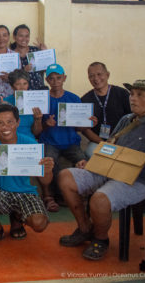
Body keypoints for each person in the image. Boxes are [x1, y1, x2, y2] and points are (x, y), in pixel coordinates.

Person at [59, 80, 145, 261]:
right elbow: (110, 146)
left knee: (100, 199)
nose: (133, 99)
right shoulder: (126, 120)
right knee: (66, 177)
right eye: (132, 94)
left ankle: (100, 239)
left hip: (138, 180)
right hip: (108, 170)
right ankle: (84, 228)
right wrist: (92, 163)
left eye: (140, 95)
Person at [0, 104, 53, 248]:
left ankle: (17, 216)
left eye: (10, 122)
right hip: (0, 193)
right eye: (0, 123)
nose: (5, 127)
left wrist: (47, 169)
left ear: (18, 122)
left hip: (25, 193)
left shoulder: (30, 143)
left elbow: (45, 181)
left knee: (39, 224)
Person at [38, 63, 91, 213]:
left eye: (58, 78)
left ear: (64, 78)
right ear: (47, 80)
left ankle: (80, 194)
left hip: (71, 142)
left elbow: (79, 128)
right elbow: (37, 128)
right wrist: (46, 124)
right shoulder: (43, 99)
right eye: (51, 78)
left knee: (83, 162)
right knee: (47, 164)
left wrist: (88, 123)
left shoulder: (74, 98)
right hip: (49, 142)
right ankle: (49, 196)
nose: (55, 81)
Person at [80, 62, 131, 158]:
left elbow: (133, 119)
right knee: (91, 153)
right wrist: (103, 142)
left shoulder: (122, 94)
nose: (96, 79)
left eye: (99, 74)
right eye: (91, 76)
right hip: (99, 142)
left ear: (107, 75)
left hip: (123, 141)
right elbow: (85, 130)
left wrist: (119, 140)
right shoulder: (85, 100)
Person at [3, 69, 43, 140]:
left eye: (25, 83)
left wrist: (38, 120)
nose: (22, 87)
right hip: (9, 140)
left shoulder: (34, 101)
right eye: (18, 84)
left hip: (28, 139)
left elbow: (36, 133)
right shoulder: (5, 102)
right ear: (12, 86)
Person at [9, 24, 47, 90]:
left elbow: (47, 70)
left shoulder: (36, 51)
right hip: (20, 93)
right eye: (21, 36)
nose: (24, 39)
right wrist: (24, 71)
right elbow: (10, 78)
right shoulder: (10, 54)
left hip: (39, 90)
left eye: (27, 36)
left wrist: (44, 53)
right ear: (14, 37)